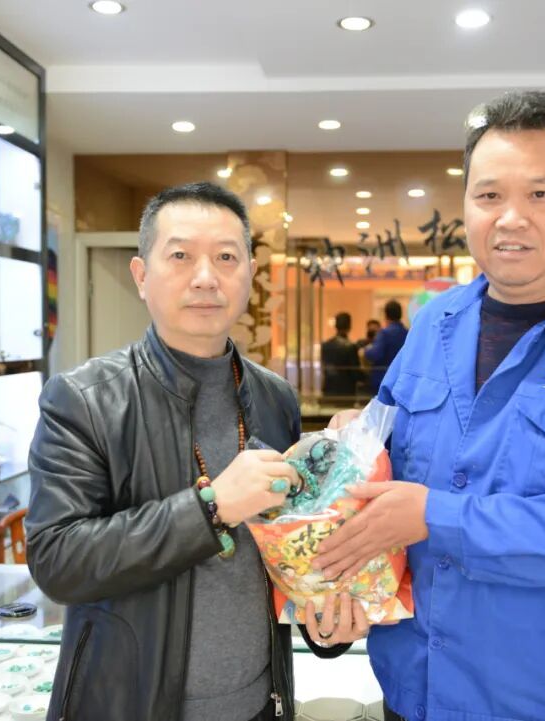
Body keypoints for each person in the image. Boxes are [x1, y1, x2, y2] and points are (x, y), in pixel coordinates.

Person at [314, 91, 545, 721]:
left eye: (540, 193)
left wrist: (438, 515)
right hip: (414, 693)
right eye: (489, 195)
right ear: (467, 208)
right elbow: (379, 477)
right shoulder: (433, 325)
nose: (511, 217)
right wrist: (351, 450)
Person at [26, 182, 364, 721]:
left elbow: (286, 545)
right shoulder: (83, 399)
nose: (206, 277)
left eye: (226, 257)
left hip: (260, 704)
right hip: (130, 708)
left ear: (250, 274)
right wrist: (211, 509)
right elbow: (57, 561)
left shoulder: (274, 398)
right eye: (181, 256)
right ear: (142, 275)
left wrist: (322, 621)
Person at [363, 300, 408, 394]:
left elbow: (375, 354)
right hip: (402, 379)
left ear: (386, 315)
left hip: (383, 378)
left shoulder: (384, 333)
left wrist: (366, 350)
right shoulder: (407, 333)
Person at [321, 312, 364, 398]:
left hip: (329, 389)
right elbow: (355, 372)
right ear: (349, 326)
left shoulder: (325, 345)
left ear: (336, 326)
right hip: (346, 391)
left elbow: (325, 368)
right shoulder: (351, 347)